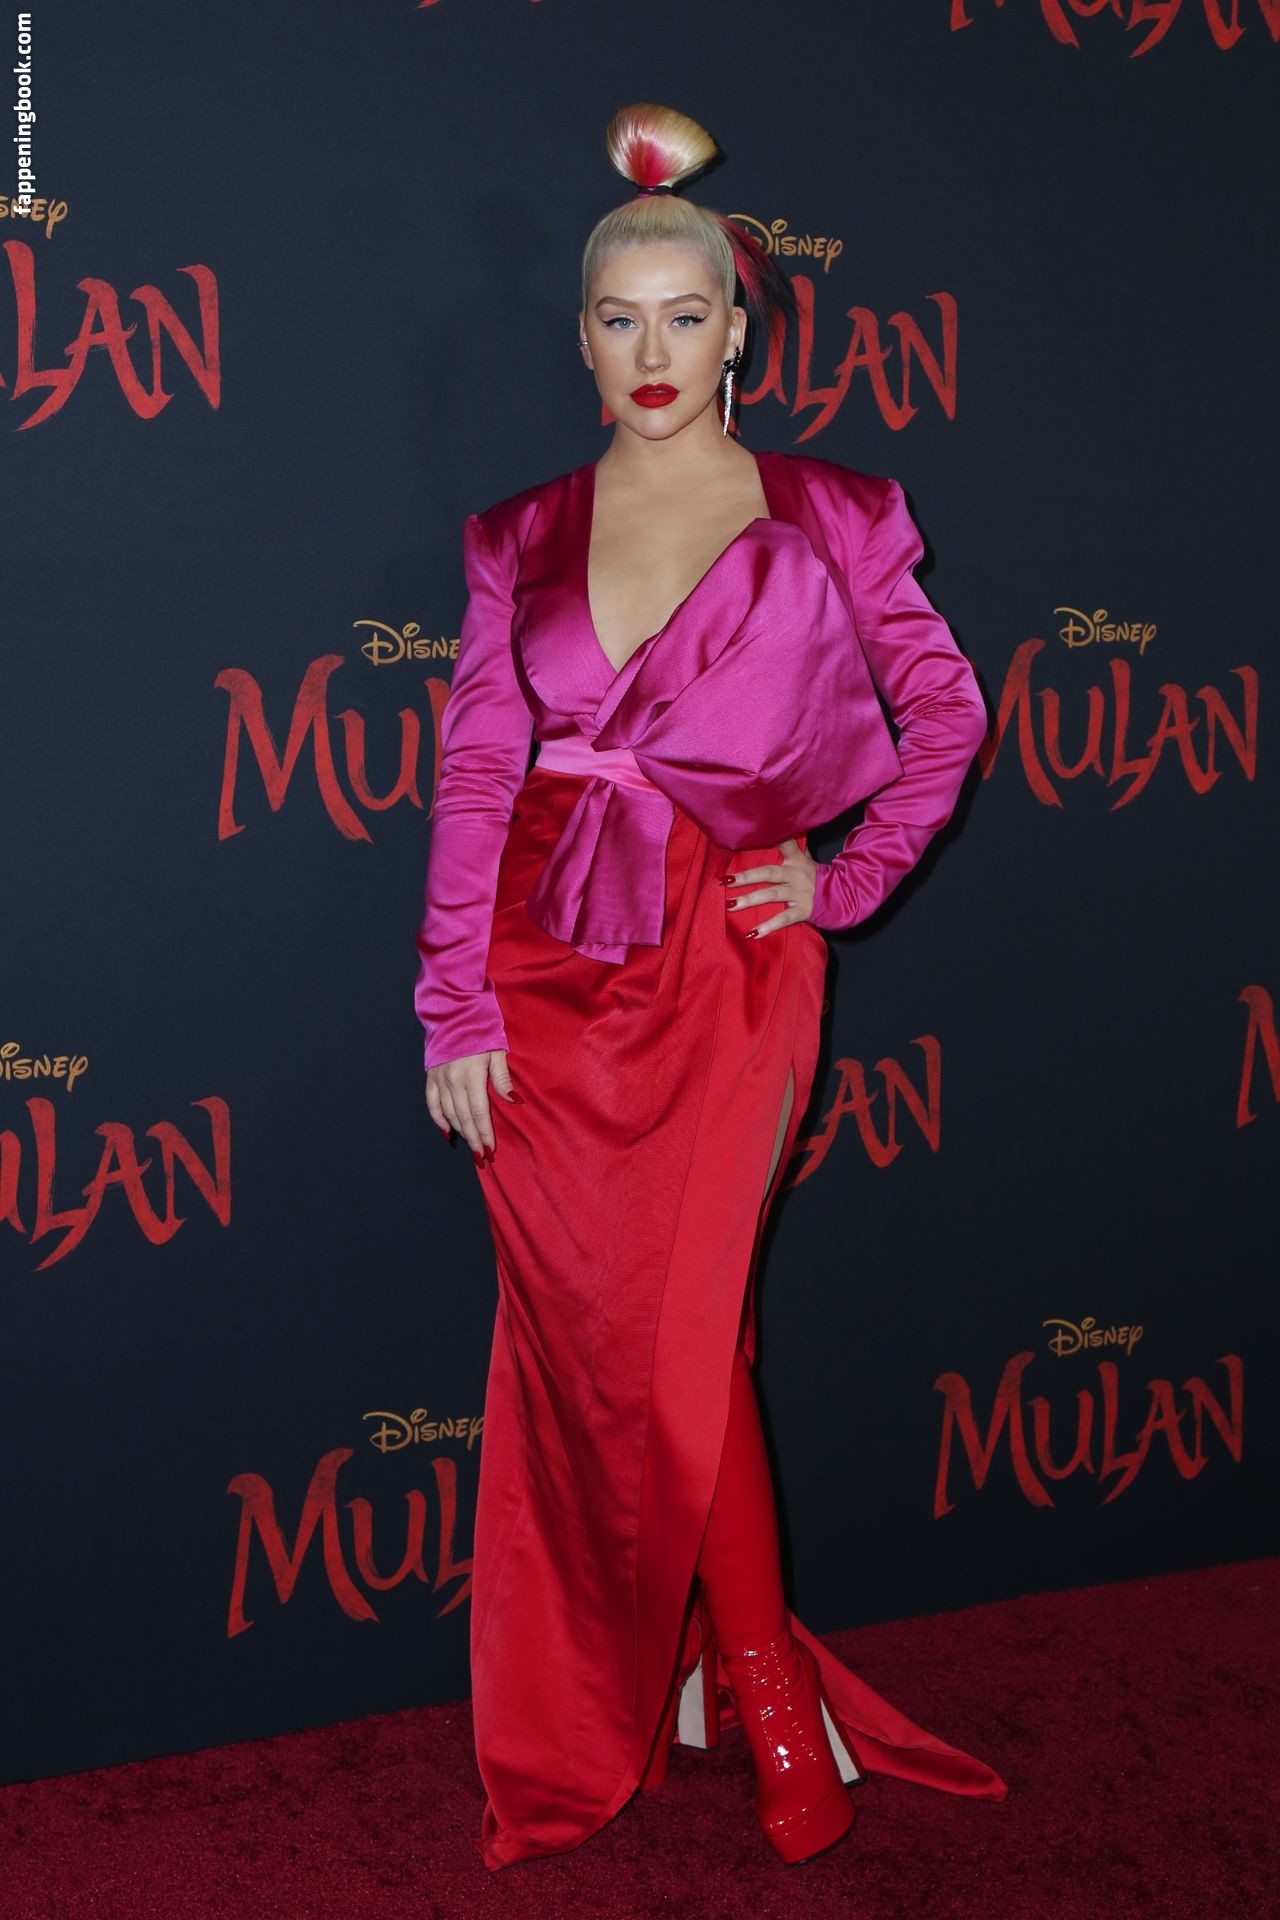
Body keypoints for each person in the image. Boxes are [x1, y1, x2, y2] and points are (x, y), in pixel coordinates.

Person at [413, 101, 1006, 1873]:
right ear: (582, 338)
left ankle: (766, 1695)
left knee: (677, 1341)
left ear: (742, 328)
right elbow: (475, 775)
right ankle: (701, 1677)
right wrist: (456, 1004)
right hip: (542, 963)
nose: (654, 351)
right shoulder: (519, 534)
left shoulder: (832, 511)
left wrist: (845, 879)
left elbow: (946, 716)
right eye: (620, 320)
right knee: (618, 1349)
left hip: (731, 958)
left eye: (686, 316)